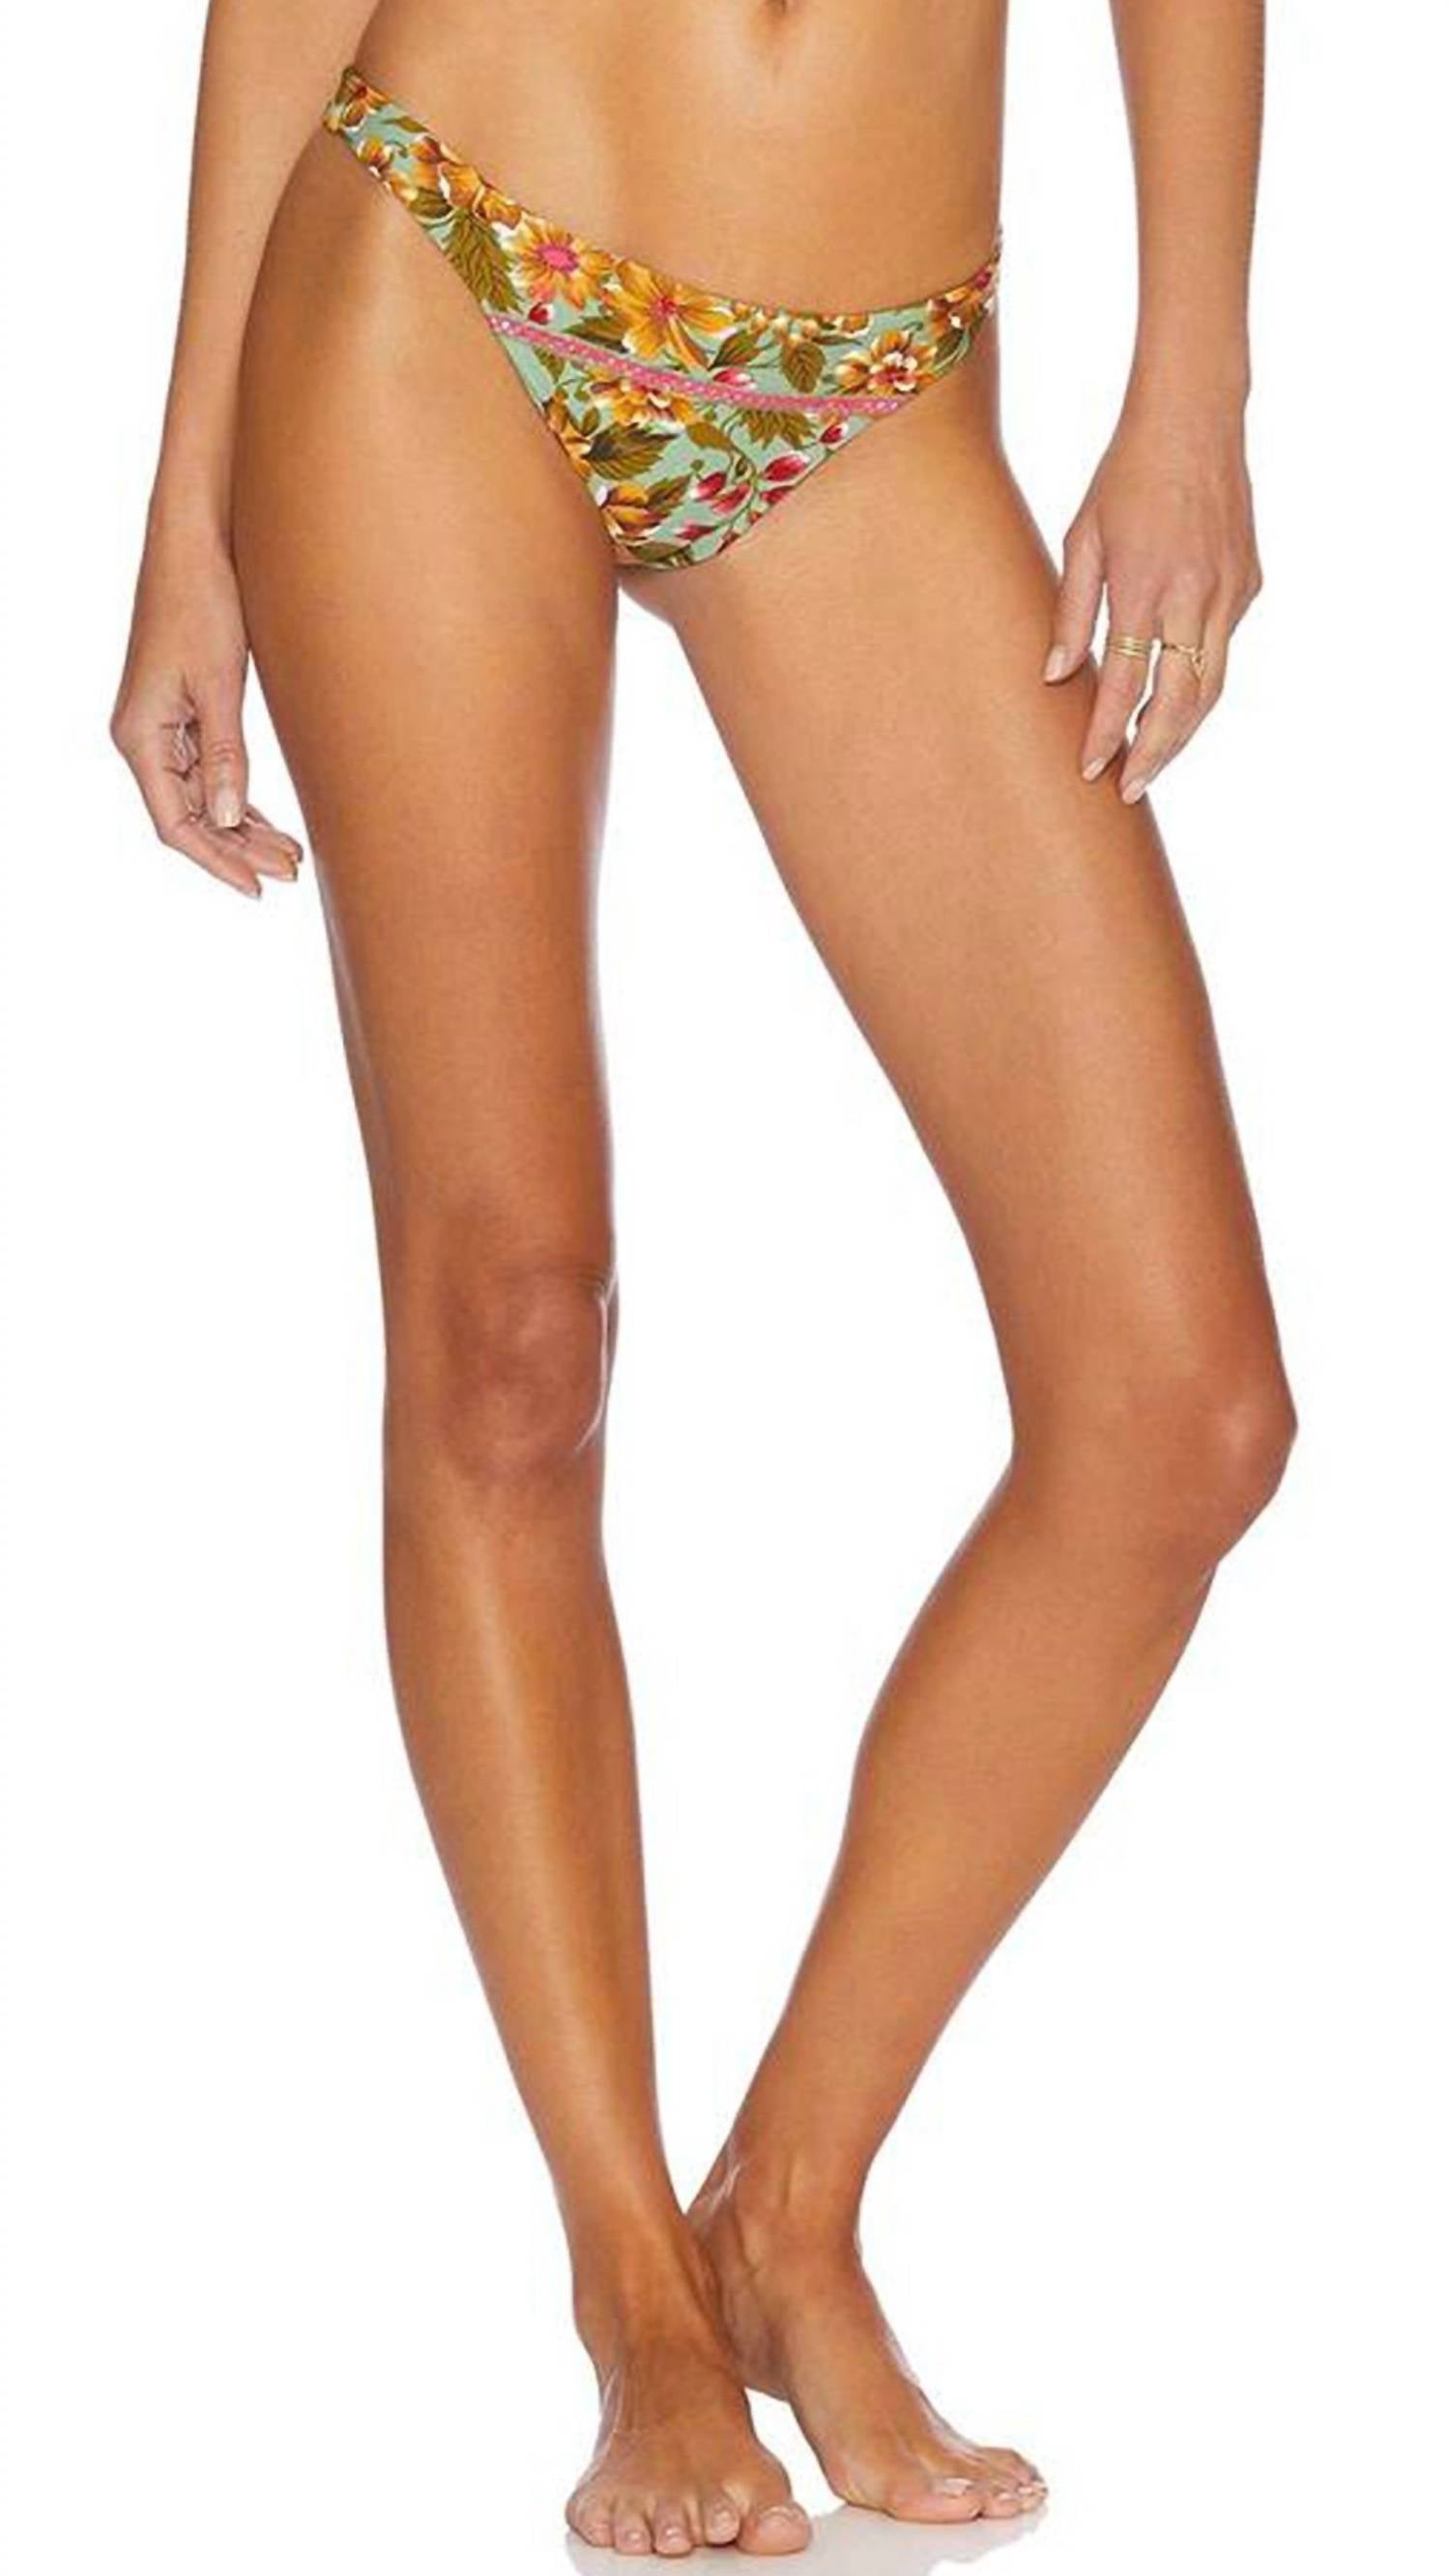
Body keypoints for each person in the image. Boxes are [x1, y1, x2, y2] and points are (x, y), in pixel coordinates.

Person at [111, 0, 1292, 2555]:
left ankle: (788, 2203)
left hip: (869, 366)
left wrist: (1189, 378)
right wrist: (183, 495)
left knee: (1180, 1413)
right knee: (508, 1332)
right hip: (444, 252)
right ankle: (636, 2283)